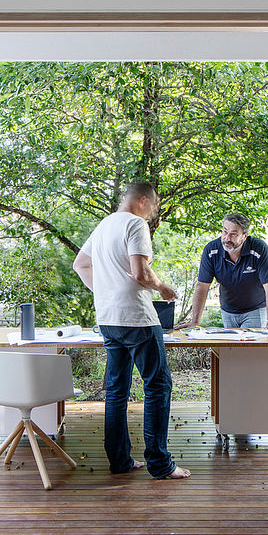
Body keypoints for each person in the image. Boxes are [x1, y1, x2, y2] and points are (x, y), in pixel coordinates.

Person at [73, 183, 191, 480]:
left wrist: (105, 291)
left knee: (116, 390)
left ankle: (120, 461)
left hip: (109, 319)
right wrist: (163, 287)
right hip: (137, 318)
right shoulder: (136, 224)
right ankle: (160, 464)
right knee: (157, 386)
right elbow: (140, 273)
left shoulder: (104, 225)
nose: (153, 213)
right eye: (153, 206)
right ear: (142, 201)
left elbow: (80, 264)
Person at [176, 212, 268, 333]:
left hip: (255, 310)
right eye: (225, 231)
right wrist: (195, 322)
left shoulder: (259, 249)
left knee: (249, 348)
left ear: (245, 236)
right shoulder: (211, 250)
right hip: (227, 311)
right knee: (231, 349)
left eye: (233, 234)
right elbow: (202, 286)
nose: (227, 238)